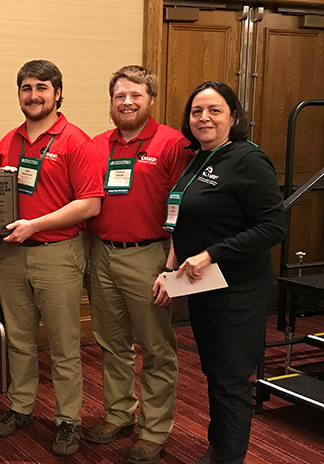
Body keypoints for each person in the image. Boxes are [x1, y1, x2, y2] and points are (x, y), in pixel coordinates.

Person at [153, 81, 285, 464]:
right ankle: (219, 449)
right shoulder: (199, 158)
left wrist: (212, 254)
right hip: (202, 284)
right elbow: (181, 219)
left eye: (214, 110)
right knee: (214, 371)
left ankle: (228, 457)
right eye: (197, 111)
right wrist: (169, 270)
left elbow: (272, 227)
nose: (204, 118)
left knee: (230, 379)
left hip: (238, 289)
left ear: (234, 117)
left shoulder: (248, 160)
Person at [0, 60, 103, 456]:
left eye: (41, 87)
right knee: (19, 340)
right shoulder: (8, 141)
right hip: (11, 254)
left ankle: (68, 419)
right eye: (26, 88)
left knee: (63, 344)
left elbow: (89, 204)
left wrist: (35, 225)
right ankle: (21, 407)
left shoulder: (76, 141)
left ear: (57, 93)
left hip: (57, 254)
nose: (33, 95)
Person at [86, 65, 193, 464]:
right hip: (103, 253)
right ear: (111, 102)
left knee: (157, 349)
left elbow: (187, 208)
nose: (127, 102)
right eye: (119, 96)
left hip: (152, 255)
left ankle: (154, 430)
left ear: (151, 99)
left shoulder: (173, 143)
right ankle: (119, 413)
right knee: (112, 344)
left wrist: (172, 266)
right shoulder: (97, 145)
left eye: (135, 95)